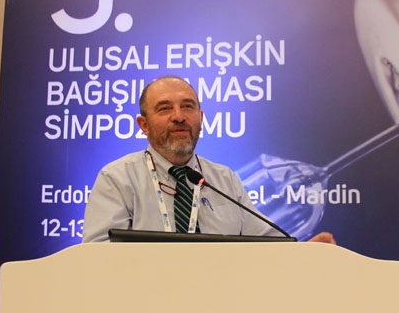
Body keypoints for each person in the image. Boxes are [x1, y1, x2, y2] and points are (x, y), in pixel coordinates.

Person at [82, 76, 335, 244]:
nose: (179, 116)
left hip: (219, 303)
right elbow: (97, 257)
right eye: (165, 108)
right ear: (143, 125)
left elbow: (267, 243)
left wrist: (304, 253)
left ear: (201, 118)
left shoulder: (224, 180)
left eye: (188, 106)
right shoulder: (118, 178)